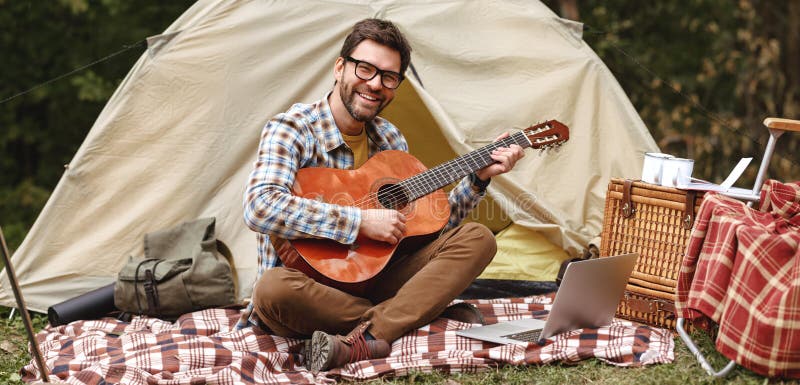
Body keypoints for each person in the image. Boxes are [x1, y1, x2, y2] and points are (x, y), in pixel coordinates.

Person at [241, 18, 524, 373]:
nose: (375, 84)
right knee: (271, 289)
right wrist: (359, 223)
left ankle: (372, 333)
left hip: (378, 280)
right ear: (340, 67)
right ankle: (419, 315)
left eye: (388, 77)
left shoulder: (391, 140)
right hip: (311, 293)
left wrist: (479, 179)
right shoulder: (292, 128)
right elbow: (260, 206)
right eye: (365, 69)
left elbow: (428, 227)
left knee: (477, 238)